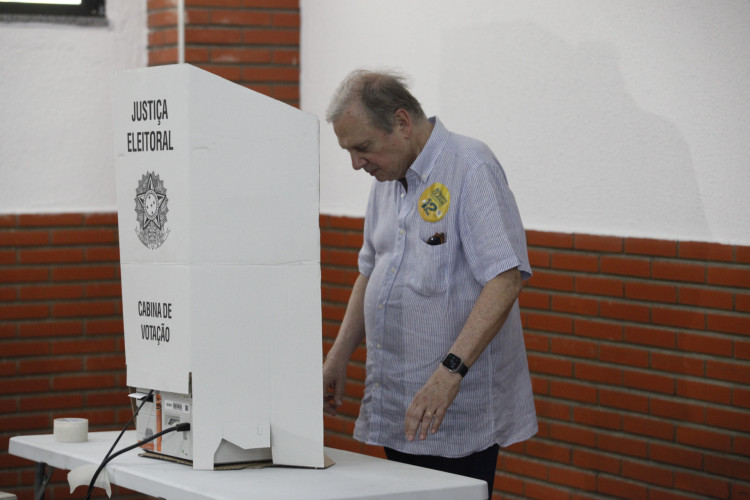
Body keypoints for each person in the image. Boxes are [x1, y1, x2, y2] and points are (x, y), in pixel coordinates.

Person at [322, 69, 537, 498]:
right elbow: (371, 269)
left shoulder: (471, 167)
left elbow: (504, 279)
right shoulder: (386, 178)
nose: (356, 164)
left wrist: (449, 373)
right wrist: (337, 357)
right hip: (398, 398)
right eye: (349, 151)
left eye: (362, 147)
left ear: (402, 123)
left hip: (454, 407)